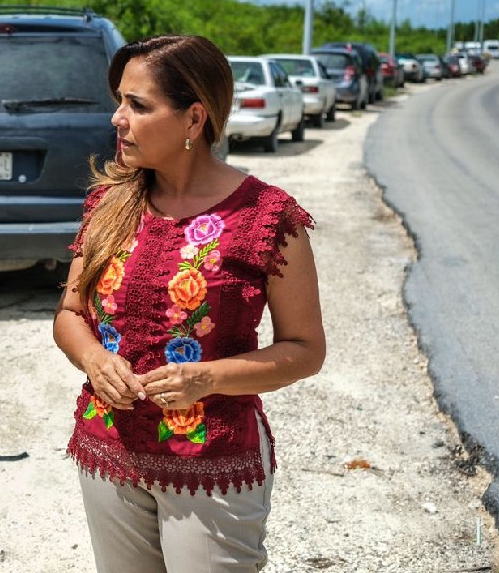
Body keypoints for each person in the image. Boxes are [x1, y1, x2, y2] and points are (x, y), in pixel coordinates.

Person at [52, 35, 325, 573]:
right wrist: (93, 359)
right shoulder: (109, 202)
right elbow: (69, 315)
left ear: (194, 119)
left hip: (213, 466)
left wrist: (209, 378)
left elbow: (306, 349)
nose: (117, 119)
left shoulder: (267, 218)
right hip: (108, 451)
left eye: (138, 105)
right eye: (119, 101)